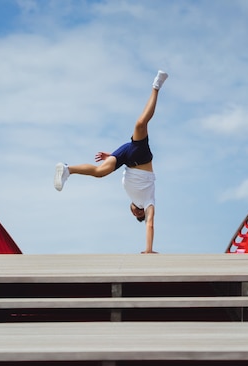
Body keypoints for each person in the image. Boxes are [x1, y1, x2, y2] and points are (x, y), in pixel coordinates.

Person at [54, 70, 168, 254]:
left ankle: (67, 169)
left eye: (135, 213)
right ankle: (156, 87)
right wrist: (148, 250)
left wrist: (113, 156)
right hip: (140, 158)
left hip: (125, 157)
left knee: (100, 172)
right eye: (139, 213)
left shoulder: (131, 196)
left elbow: (120, 167)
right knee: (140, 124)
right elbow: (150, 224)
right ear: (141, 212)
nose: (136, 211)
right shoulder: (148, 201)